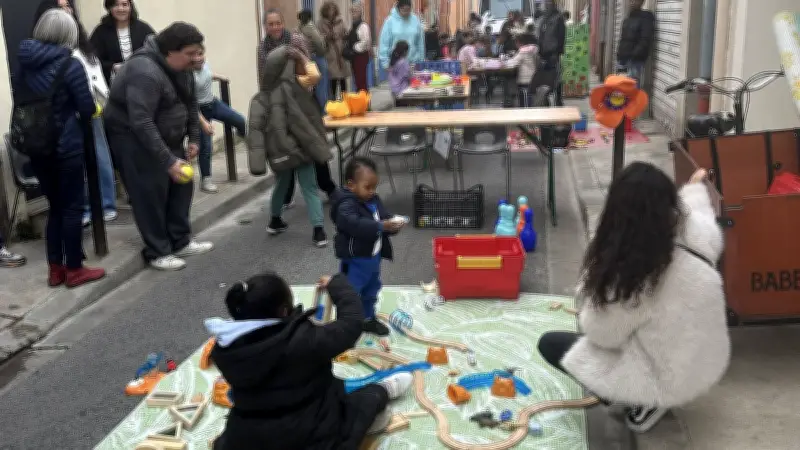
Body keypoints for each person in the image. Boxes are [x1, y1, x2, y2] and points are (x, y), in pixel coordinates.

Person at [537, 164, 730, 433]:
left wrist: (592, 290)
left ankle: (645, 401)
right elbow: (698, 207)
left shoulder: (635, 275)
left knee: (552, 343)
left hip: (671, 375)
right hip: (709, 359)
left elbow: (600, 334)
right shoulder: (697, 231)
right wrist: (696, 184)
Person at [205, 273, 414, 450]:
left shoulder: (225, 349)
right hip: (308, 431)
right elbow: (350, 323)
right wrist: (337, 284)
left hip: (250, 433)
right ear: (283, 311)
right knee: (369, 400)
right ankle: (385, 389)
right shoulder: (302, 341)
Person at [103, 22, 214, 271]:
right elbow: (141, 121)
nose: (197, 59)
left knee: (182, 185)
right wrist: (168, 161)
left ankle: (180, 240)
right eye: (191, 53)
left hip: (167, 135)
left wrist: (194, 138)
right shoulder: (144, 72)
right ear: (171, 51)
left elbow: (191, 102)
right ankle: (158, 251)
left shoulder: (182, 68)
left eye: (199, 52)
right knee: (150, 192)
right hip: (133, 139)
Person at [16, 9, 105, 287]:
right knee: (72, 208)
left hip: (37, 146)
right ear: (68, 34)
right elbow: (86, 107)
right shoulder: (70, 65)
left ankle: (55, 269)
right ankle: (75, 269)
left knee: (54, 207)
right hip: (66, 146)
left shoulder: (25, 64)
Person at [33, 0, 119, 226]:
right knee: (76, 163)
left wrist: (100, 100)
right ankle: (86, 208)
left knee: (99, 157)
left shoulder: (82, 41)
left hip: (91, 107)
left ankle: (106, 204)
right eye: (60, 6)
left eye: (69, 5)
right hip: (63, 114)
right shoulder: (42, 46)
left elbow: (94, 70)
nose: (67, 9)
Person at [249, 44, 330, 247]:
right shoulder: (298, 87)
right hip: (302, 147)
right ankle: (319, 231)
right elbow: (315, 76)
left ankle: (275, 220)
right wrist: (303, 58)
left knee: (282, 185)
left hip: (279, 152)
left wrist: (257, 163)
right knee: (309, 187)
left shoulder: (260, 98)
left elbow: (255, 132)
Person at [330, 157, 405, 337]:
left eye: (374, 187)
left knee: (371, 290)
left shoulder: (373, 200)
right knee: (350, 293)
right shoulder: (346, 205)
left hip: (372, 257)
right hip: (355, 259)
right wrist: (381, 226)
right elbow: (354, 224)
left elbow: (384, 217)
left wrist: (392, 225)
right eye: (367, 187)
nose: (372, 191)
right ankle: (345, 327)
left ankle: (367, 319)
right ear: (351, 185)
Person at [193, 45, 247, 194]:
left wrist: (220, 77)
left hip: (213, 103)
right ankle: (206, 179)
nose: (198, 58)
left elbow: (208, 74)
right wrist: (203, 122)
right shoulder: (187, 75)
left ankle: (244, 137)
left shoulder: (205, 64)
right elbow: (189, 103)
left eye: (200, 54)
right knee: (206, 146)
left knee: (240, 120)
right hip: (199, 110)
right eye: (194, 55)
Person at [89, 0, 156, 84]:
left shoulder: (143, 28)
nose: (121, 9)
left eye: (125, 5)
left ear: (130, 7)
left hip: (143, 80)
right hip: (114, 83)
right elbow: (92, 58)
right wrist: (112, 67)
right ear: (109, 8)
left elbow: (156, 52)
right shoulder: (101, 31)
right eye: (116, 5)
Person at [534, 0, 566, 106]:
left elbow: (561, 37)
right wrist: (539, 50)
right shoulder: (544, 19)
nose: (546, 5)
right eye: (545, 3)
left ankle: (558, 101)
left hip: (553, 53)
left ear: (553, 4)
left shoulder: (558, 18)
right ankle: (546, 101)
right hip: (543, 54)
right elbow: (541, 36)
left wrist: (557, 52)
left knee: (556, 78)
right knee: (545, 79)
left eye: (548, 3)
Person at [378, 0, 425, 70]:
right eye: (404, 10)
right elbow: (384, 43)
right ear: (398, 8)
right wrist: (385, 63)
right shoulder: (390, 21)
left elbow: (420, 42)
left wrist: (421, 60)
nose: (406, 12)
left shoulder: (415, 20)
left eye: (408, 10)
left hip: (413, 63)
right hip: (395, 65)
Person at [616, 0, 655, 85]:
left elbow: (645, 39)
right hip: (622, 59)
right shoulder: (628, 18)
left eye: (635, 0)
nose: (632, 2)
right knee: (620, 88)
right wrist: (619, 54)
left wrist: (634, 55)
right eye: (631, 1)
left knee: (631, 87)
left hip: (634, 60)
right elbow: (623, 38)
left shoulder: (646, 18)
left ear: (642, 2)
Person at [318, 1, 350, 100]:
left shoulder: (340, 21)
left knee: (342, 79)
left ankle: (344, 100)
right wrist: (326, 37)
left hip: (340, 53)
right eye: (329, 9)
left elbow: (346, 33)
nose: (331, 12)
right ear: (325, 11)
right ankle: (333, 101)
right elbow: (318, 37)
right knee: (332, 79)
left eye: (333, 9)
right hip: (330, 54)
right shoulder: (321, 23)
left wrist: (343, 38)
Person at [504, 33, 539, 106]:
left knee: (524, 98)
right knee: (529, 96)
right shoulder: (533, 49)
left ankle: (525, 111)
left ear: (519, 43)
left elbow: (512, 64)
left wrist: (504, 61)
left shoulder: (523, 52)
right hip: (533, 77)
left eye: (516, 42)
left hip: (524, 79)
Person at [347, 3, 372, 92]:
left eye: (356, 11)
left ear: (360, 12)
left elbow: (366, 41)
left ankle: (364, 103)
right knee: (357, 80)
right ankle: (360, 101)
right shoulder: (353, 25)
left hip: (361, 56)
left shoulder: (363, 26)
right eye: (352, 11)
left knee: (361, 81)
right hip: (355, 57)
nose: (354, 13)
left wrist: (355, 47)